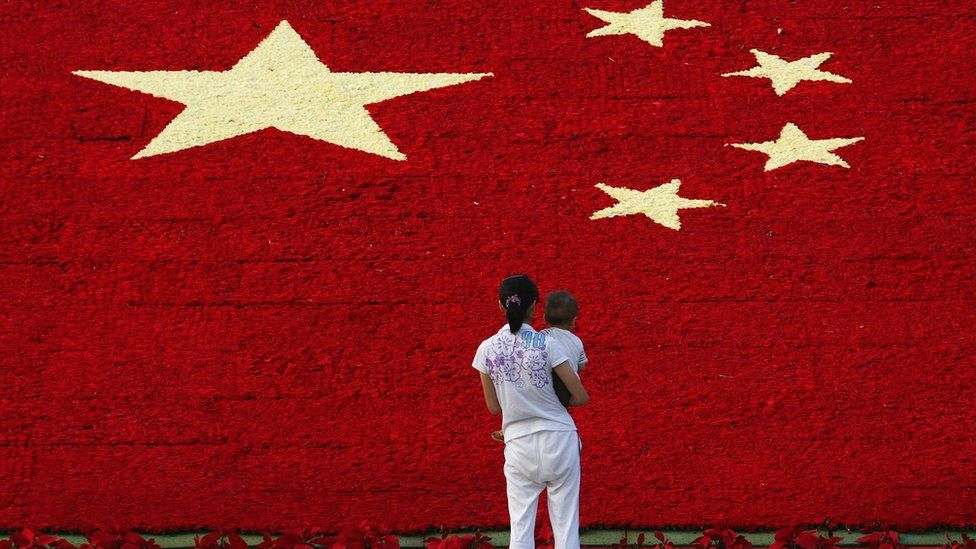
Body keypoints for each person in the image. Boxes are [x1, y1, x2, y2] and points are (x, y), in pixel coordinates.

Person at [472, 274, 590, 549]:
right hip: (559, 439)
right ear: (535, 306)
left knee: (520, 532)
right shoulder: (549, 344)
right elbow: (580, 396)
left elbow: (494, 408)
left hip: (518, 444)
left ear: (501, 306)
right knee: (565, 529)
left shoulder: (485, 349)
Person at [491, 290, 587, 442]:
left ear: (544, 318)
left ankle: (507, 429)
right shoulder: (577, 341)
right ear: (574, 321)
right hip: (568, 392)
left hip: (549, 390)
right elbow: (582, 366)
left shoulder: (542, 338)